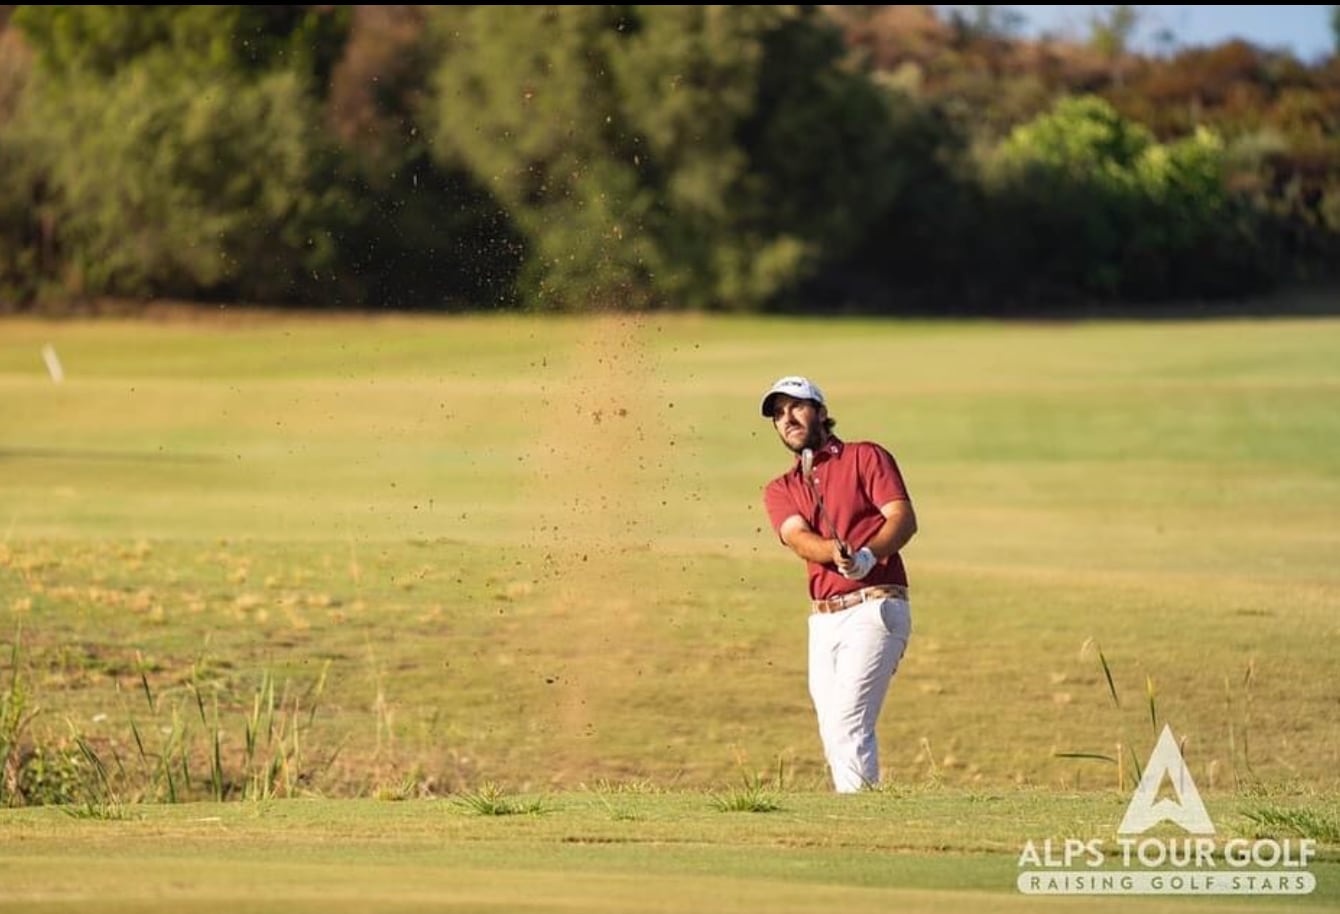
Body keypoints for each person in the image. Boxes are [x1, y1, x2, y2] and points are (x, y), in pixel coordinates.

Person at [759, 375, 917, 793]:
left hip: (876, 606)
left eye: (796, 406)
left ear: (822, 413)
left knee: (848, 722)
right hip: (824, 621)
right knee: (832, 726)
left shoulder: (866, 457)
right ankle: (860, 807)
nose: (787, 418)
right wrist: (833, 551)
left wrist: (868, 555)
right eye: (778, 413)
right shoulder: (781, 488)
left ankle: (860, 817)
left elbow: (902, 518)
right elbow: (796, 537)